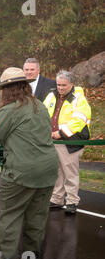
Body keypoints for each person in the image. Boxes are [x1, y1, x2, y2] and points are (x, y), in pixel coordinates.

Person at [0, 67, 58, 259]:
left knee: (10, 218)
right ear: (24, 86)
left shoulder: (9, 110)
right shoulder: (39, 105)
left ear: (6, 90)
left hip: (21, 172)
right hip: (47, 171)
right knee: (36, 220)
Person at [43, 70, 91, 214]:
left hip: (70, 141)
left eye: (64, 85)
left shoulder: (79, 99)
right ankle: (57, 199)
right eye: (58, 84)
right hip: (53, 140)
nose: (61, 88)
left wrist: (61, 133)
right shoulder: (51, 95)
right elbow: (44, 113)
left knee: (70, 173)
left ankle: (72, 201)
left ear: (71, 84)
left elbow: (79, 121)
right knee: (56, 172)